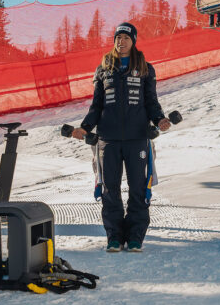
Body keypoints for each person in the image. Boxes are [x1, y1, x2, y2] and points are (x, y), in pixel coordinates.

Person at [73, 22, 170, 253]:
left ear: (133, 40)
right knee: (110, 190)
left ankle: (135, 236)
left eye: (126, 38)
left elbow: (151, 101)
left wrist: (160, 120)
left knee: (138, 188)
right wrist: (86, 127)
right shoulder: (103, 68)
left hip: (138, 139)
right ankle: (114, 237)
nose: (121, 42)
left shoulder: (145, 67)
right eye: (118, 38)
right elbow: (97, 105)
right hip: (108, 139)